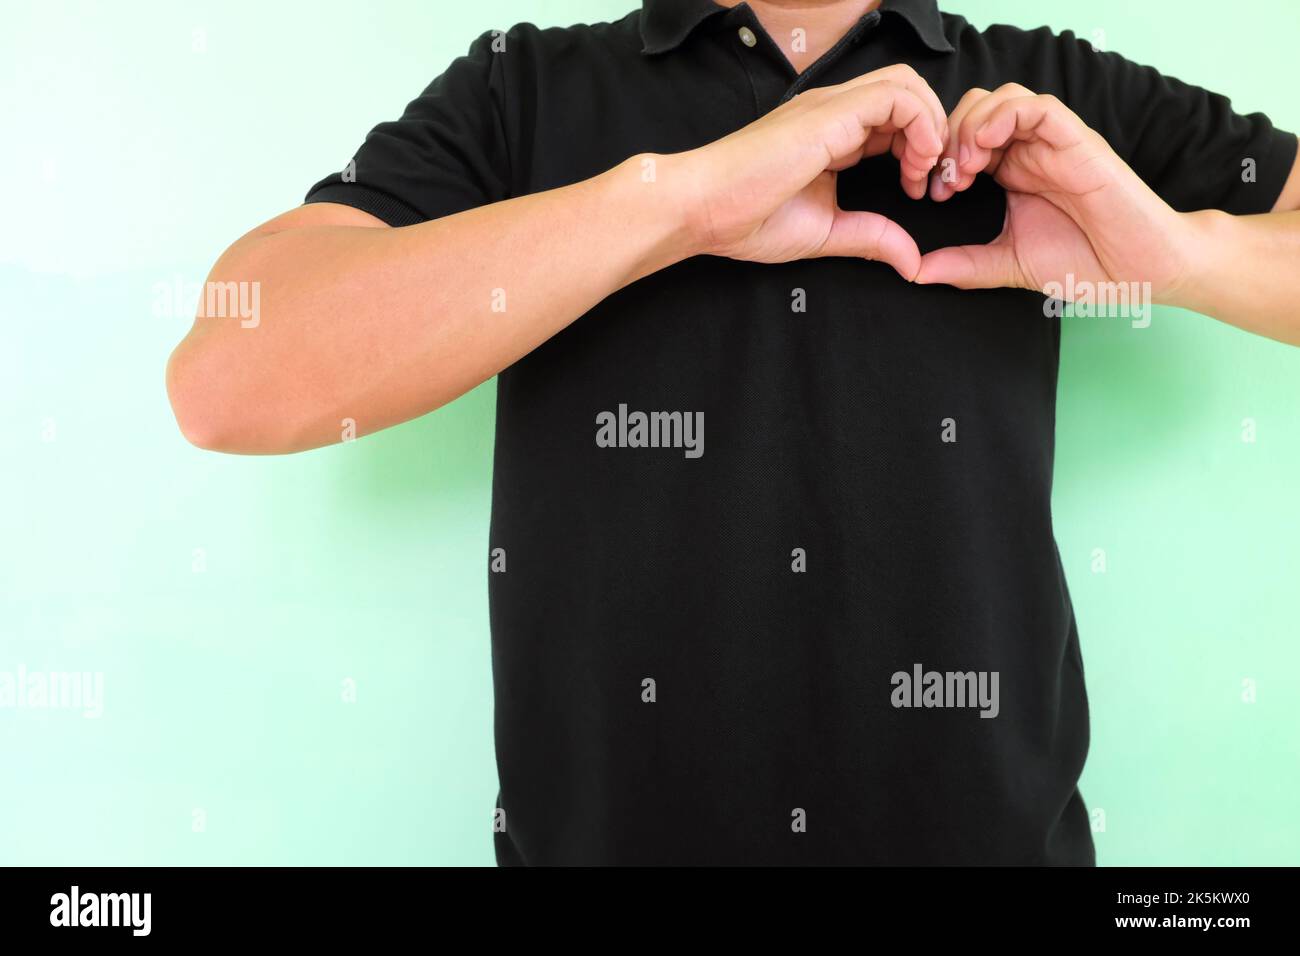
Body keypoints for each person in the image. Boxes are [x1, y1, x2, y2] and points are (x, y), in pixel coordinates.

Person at [165, 0, 1300, 865]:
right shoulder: (525, 91)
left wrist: (1179, 254)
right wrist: (679, 203)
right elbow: (228, 374)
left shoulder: (1038, 92)